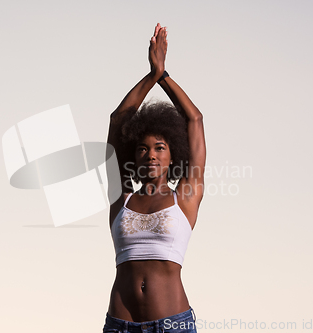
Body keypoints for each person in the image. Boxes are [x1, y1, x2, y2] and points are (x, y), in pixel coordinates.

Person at [104, 23, 206, 333]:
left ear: (173, 154)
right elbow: (117, 119)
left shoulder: (184, 197)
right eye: (143, 148)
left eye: (159, 148)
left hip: (172, 325)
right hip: (120, 326)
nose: (151, 154)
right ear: (132, 156)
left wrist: (163, 74)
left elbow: (194, 119)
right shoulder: (121, 197)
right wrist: (149, 77)